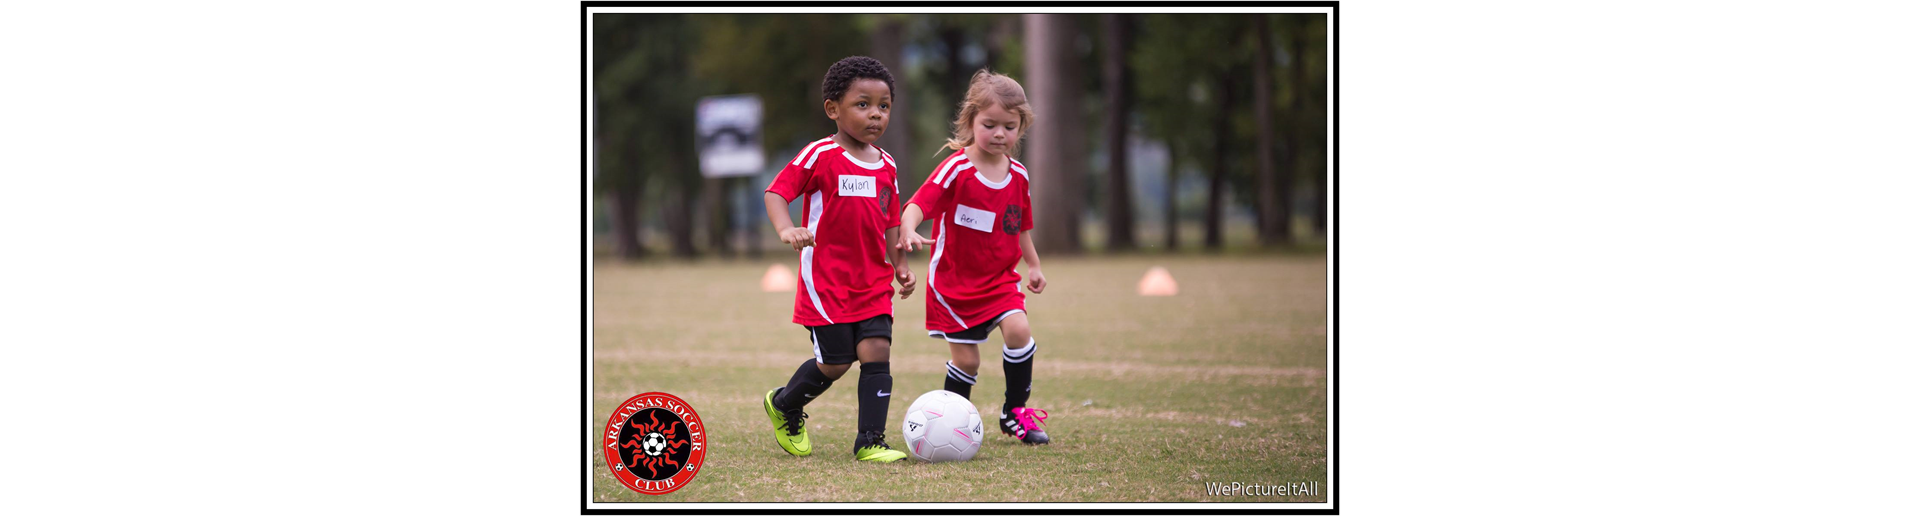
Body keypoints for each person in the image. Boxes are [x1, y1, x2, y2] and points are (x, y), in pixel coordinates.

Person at [761, 56, 915, 463]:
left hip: (873, 280)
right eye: (862, 104)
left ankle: (870, 441)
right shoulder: (819, 155)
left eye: (883, 106)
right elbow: (776, 192)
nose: (875, 115)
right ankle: (784, 404)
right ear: (833, 109)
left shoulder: (888, 166)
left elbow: (891, 220)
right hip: (825, 280)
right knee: (836, 363)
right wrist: (785, 229)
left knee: (877, 351)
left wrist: (899, 264)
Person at [896, 68, 1051, 445]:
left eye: (1010, 127)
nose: (1000, 133)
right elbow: (918, 203)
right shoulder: (956, 169)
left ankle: (1015, 413)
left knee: (1019, 332)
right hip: (954, 284)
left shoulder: (1019, 176)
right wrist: (908, 227)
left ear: (1021, 127)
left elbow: (1021, 226)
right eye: (990, 124)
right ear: (970, 121)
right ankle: (953, 425)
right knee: (968, 362)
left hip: (1000, 280)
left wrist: (1032, 264)